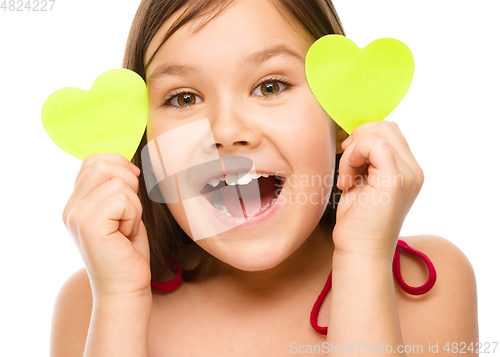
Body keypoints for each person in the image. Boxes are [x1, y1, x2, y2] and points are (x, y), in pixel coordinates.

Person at [50, 0, 478, 356]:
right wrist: (120, 301)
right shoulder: (91, 304)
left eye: (270, 87)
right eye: (184, 98)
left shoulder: (429, 285)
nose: (226, 132)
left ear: (341, 115)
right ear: (146, 143)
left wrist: (363, 258)